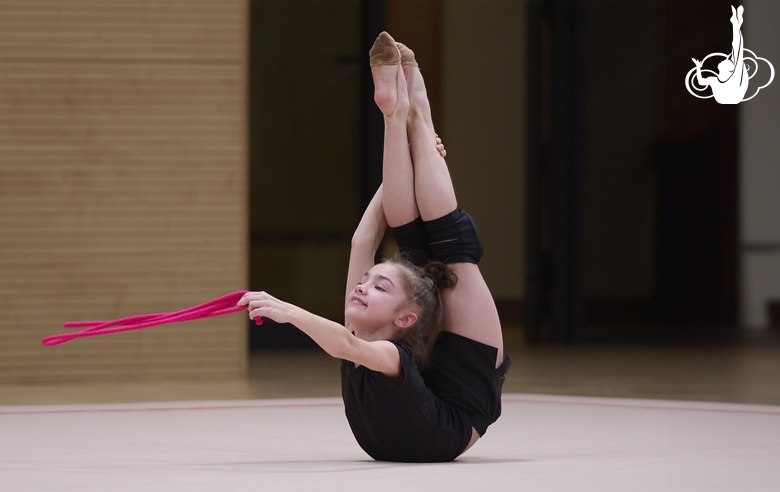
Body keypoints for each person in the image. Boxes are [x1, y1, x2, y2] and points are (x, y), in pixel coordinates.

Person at [238, 31, 510, 463]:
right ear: (406, 317)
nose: (362, 286)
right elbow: (347, 342)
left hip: (427, 383)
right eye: (374, 286)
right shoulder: (382, 353)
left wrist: (400, 149)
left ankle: (401, 112)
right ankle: (417, 112)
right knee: (452, 249)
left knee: (412, 244)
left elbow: (364, 239)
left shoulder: (360, 338)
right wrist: (284, 310)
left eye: (373, 284)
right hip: (463, 397)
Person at [692, 5, 748, 104]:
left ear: (729, 69)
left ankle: (736, 23)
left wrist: (698, 67)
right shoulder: (716, 80)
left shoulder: (732, 78)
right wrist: (698, 67)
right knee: (737, 51)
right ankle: (736, 23)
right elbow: (701, 82)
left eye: (727, 61)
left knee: (737, 50)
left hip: (732, 96)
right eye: (728, 61)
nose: (725, 59)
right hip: (729, 97)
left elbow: (737, 49)